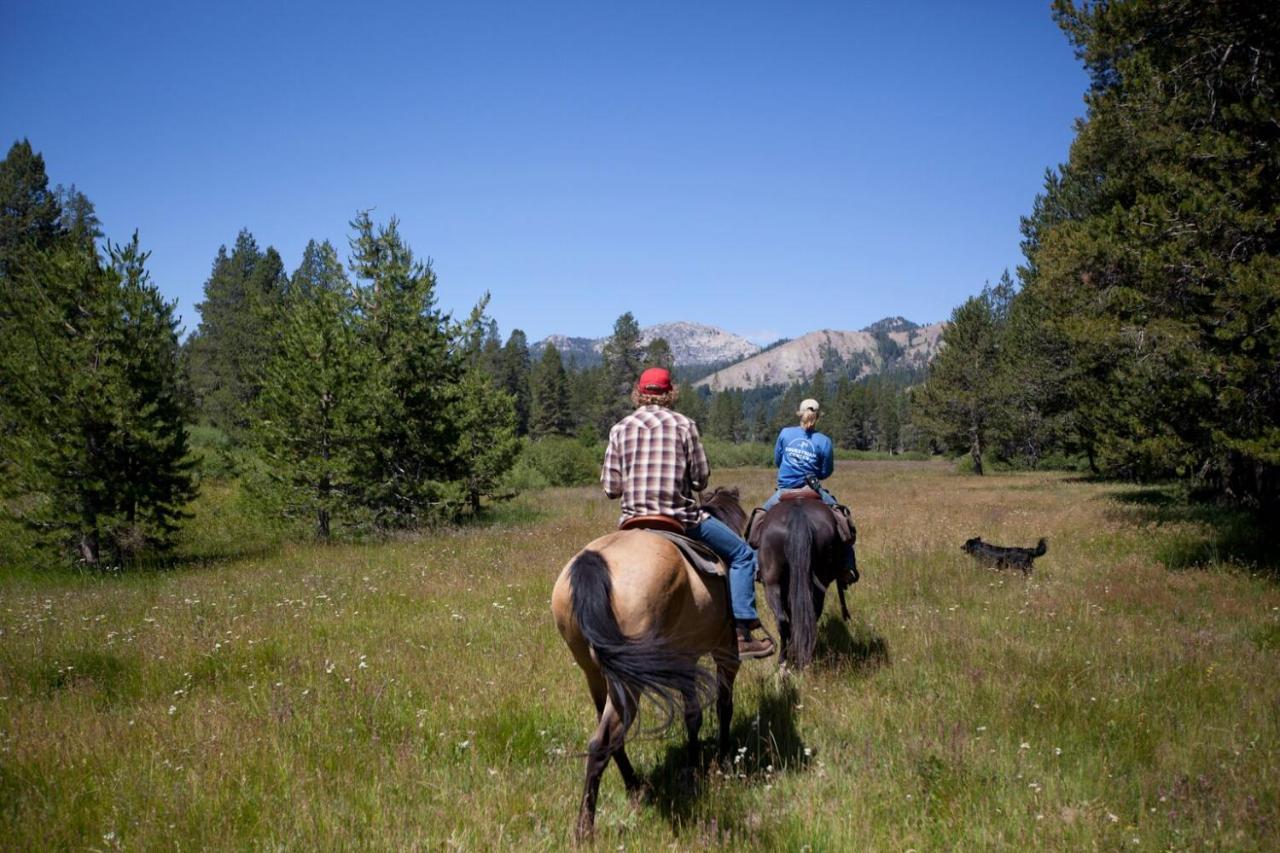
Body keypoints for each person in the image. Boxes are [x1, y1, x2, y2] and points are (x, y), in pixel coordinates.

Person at [601, 367, 774, 659]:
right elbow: (700, 480)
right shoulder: (684, 424)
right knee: (743, 554)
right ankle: (743, 632)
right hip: (679, 519)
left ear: (639, 394)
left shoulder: (620, 428)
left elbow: (610, 488)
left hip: (633, 522)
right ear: (670, 394)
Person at [763, 398, 856, 584]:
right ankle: (847, 568)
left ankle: (755, 566)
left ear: (799, 413)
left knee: (758, 520)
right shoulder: (824, 441)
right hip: (812, 489)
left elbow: (777, 460)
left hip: (785, 490)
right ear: (818, 417)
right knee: (842, 520)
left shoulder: (785, 433)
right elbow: (826, 471)